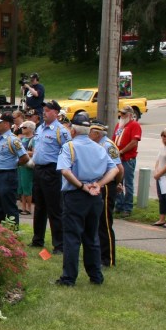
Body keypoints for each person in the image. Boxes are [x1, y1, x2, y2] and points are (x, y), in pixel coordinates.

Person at [55, 112, 119, 286]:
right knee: (92, 237)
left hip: (76, 195)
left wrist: (82, 186)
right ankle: (96, 276)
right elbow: (114, 170)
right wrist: (99, 184)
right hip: (95, 195)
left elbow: (65, 171)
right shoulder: (99, 147)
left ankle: (69, 278)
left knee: (72, 237)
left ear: (73, 131)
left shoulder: (70, 147)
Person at [31, 100, 71, 253]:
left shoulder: (61, 131)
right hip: (39, 169)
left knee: (54, 208)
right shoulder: (40, 128)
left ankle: (59, 244)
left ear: (56, 113)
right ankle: (37, 239)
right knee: (39, 207)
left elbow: (67, 151)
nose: (44, 113)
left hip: (52, 170)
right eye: (43, 110)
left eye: (47, 110)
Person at [88, 121, 122, 267]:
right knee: (97, 221)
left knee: (105, 222)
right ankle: (99, 255)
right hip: (97, 183)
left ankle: (108, 258)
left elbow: (118, 168)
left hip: (107, 186)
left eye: (90, 132)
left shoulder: (107, 145)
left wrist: (117, 183)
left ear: (96, 133)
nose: (88, 134)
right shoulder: (96, 145)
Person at [0, 113, 28, 226]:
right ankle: (1, 228)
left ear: (6, 124)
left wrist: (13, 164)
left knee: (8, 204)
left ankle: (12, 230)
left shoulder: (12, 140)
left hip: (8, 174)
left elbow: (24, 157)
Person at [113, 105, 142, 215]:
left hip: (127, 158)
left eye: (124, 114)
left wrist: (122, 151)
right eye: (121, 113)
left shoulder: (134, 125)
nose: (121, 115)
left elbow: (134, 142)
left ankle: (127, 207)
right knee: (118, 182)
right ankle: (119, 204)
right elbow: (114, 139)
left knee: (128, 183)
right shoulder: (119, 125)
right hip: (117, 158)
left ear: (130, 115)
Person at [17, 121, 36, 216]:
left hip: (28, 166)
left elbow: (35, 152)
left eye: (24, 127)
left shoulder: (34, 139)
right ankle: (23, 207)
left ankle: (29, 208)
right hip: (20, 165)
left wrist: (23, 153)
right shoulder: (21, 139)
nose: (22, 129)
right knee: (21, 188)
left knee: (27, 187)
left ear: (30, 129)